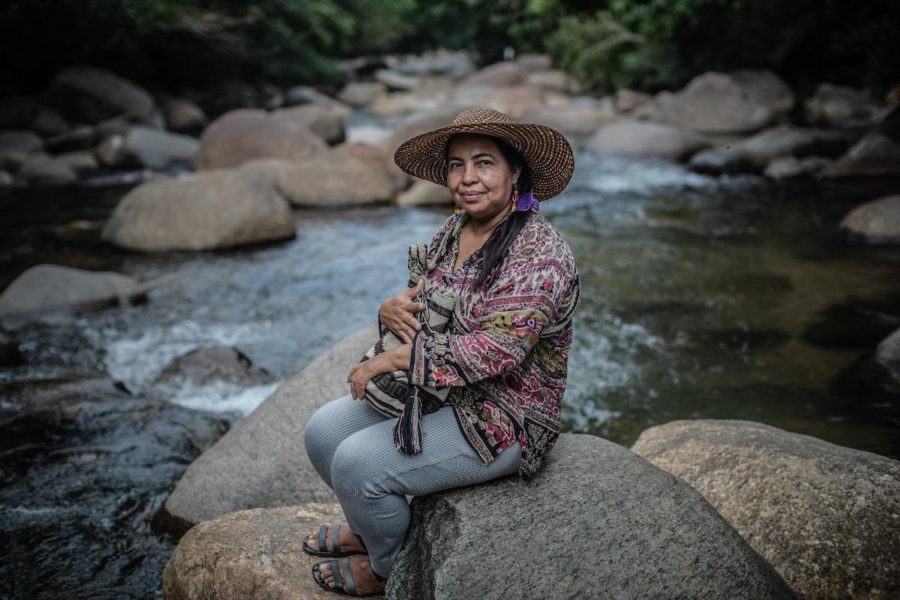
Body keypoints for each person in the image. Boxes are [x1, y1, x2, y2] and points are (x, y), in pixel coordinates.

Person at [302, 108, 580, 596]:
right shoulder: (454, 230)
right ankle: (372, 531)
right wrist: (388, 309)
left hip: (506, 415)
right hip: (442, 391)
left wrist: (389, 361)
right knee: (324, 431)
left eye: (484, 163)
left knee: (357, 464)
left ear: (516, 172)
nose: (467, 179)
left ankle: (387, 568)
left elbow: (497, 352)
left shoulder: (541, 254)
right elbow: (424, 301)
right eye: (456, 165)